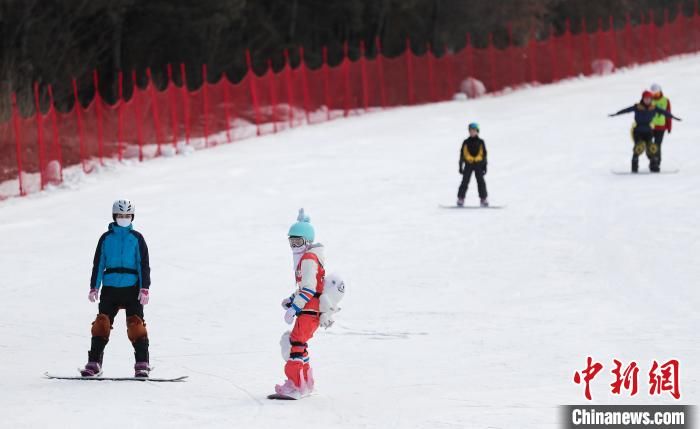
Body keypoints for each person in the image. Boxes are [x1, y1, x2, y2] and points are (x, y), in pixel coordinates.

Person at [81, 200, 152, 377]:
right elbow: (99, 263)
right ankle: (94, 362)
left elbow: (143, 264)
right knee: (101, 324)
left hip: (132, 287)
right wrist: (94, 287)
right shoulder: (106, 238)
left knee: (136, 325)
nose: (123, 219)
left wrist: (144, 288)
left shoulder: (137, 238)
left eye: (127, 216)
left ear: (132, 217)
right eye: (120, 216)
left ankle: (142, 363)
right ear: (114, 216)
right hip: (111, 288)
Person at [276, 208, 326, 399]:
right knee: (300, 344)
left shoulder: (308, 259)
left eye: (298, 242)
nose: (294, 246)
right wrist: (291, 300)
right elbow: (307, 286)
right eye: (291, 241)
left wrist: (295, 307)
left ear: (307, 242)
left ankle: (295, 385)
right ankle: (305, 383)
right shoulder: (309, 258)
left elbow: (309, 288)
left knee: (295, 344)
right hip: (309, 311)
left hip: (308, 311)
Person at [609, 90, 681, 173]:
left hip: (648, 132)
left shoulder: (653, 108)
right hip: (638, 132)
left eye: (649, 99)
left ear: (651, 99)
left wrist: (673, 117)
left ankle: (654, 165)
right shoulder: (637, 107)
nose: (647, 100)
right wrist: (616, 114)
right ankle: (634, 164)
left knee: (652, 148)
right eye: (645, 98)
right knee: (639, 147)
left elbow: (664, 112)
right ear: (642, 99)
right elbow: (626, 110)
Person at [457, 122, 488, 207]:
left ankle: (483, 198)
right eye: (470, 131)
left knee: (481, 182)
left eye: (474, 131)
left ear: (477, 131)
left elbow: (484, 154)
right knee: (465, 181)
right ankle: (460, 198)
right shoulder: (466, 142)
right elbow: (462, 154)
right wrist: (460, 165)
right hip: (468, 164)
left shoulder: (481, 142)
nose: (472, 132)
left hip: (478, 164)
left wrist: (485, 166)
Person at [650, 83, 672, 168]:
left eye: (657, 93)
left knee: (657, 145)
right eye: (653, 93)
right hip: (650, 127)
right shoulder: (649, 100)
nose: (655, 95)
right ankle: (652, 161)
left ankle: (657, 162)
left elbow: (668, 114)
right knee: (650, 145)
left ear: (660, 91)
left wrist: (669, 127)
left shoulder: (665, 100)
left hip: (661, 127)